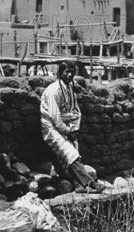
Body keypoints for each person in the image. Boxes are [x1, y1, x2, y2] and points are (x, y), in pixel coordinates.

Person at [40, 61, 104, 192]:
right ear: (59, 73)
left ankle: (79, 185)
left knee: (73, 151)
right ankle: (90, 184)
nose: (69, 75)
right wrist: (67, 131)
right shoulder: (53, 90)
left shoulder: (71, 88)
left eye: (72, 72)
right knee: (70, 153)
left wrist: (74, 128)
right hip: (51, 127)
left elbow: (75, 111)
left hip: (67, 126)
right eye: (66, 72)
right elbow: (54, 117)